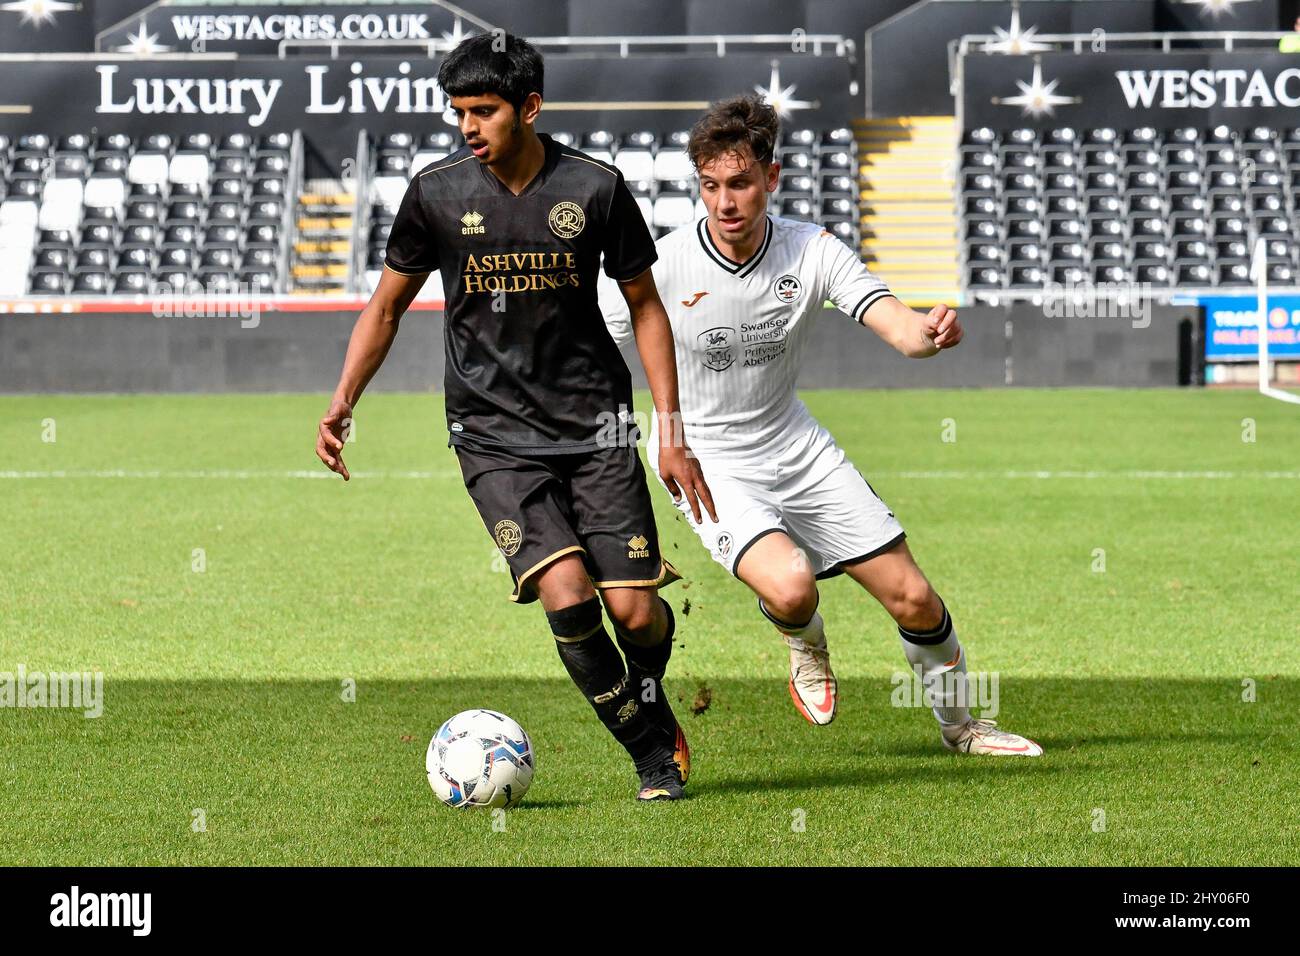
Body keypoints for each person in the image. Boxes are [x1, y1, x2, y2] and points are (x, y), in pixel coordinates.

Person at [316, 33, 717, 800]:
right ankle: (650, 753)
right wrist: (343, 400)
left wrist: (671, 430)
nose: (468, 127)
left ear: (529, 107)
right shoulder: (435, 193)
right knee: (567, 595)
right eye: (458, 112)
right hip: (493, 435)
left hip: (596, 427)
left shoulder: (595, 189)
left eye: (484, 111)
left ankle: (649, 688)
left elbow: (646, 307)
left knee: (635, 613)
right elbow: (387, 306)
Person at [600, 95, 1041, 756]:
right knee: (792, 585)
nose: (725, 202)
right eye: (711, 186)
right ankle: (803, 640)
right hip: (709, 462)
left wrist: (930, 332)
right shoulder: (660, 268)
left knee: (916, 600)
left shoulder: (812, 250)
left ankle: (963, 729)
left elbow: (898, 325)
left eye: (741, 184)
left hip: (798, 446)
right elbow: (580, 352)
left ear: (771, 179)